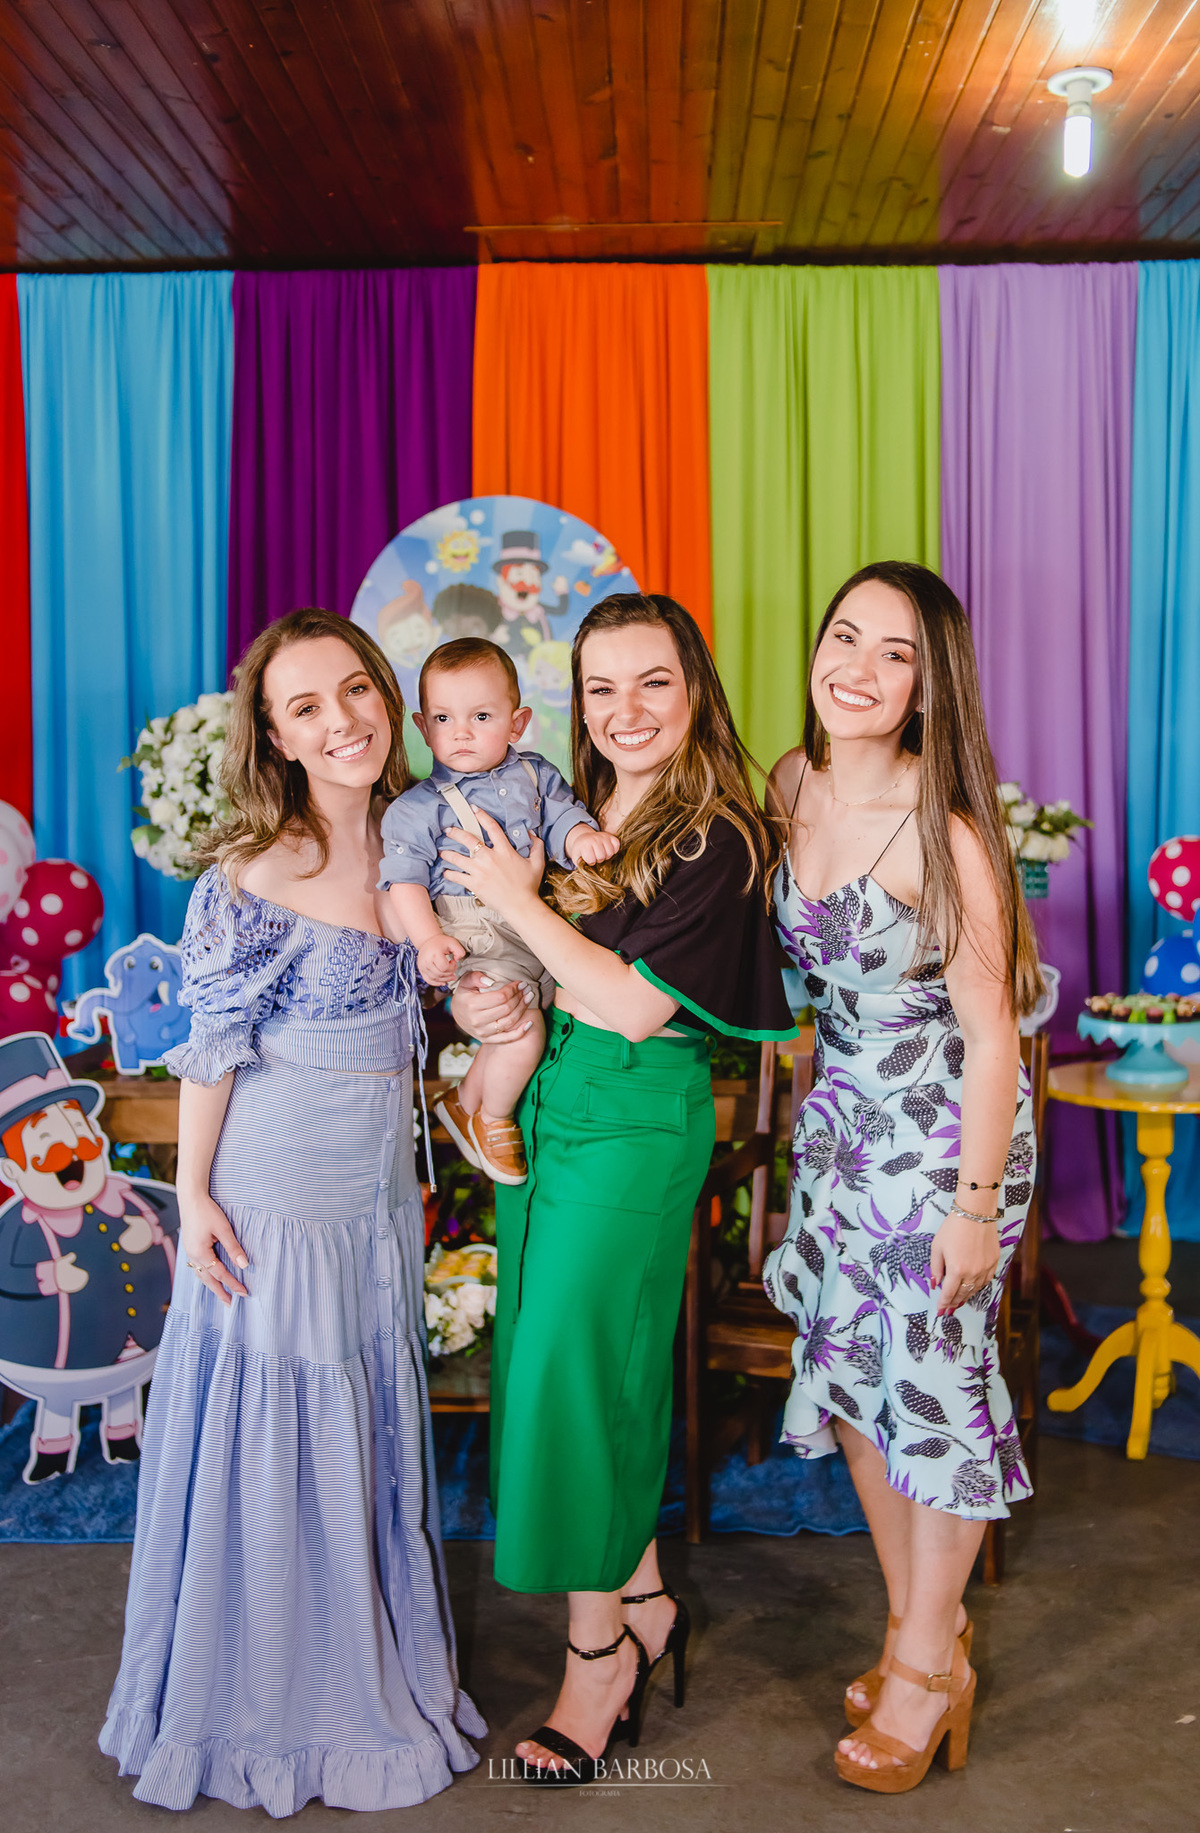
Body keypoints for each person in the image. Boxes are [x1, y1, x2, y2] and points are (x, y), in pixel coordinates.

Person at [100, 608, 483, 1816]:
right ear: (275, 737)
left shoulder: (425, 841)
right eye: (306, 706)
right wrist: (193, 1192)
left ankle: (363, 1655)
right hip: (277, 1190)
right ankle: (274, 1703)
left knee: (357, 1411)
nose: (342, 721)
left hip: (371, 1197)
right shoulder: (261, 868)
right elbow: (211, 1047)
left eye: (356, 690)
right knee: (282, 1413)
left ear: (388, 697)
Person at [446, 593, 795, 1785]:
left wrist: (514, 903)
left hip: (635, 1122)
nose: (626, 709)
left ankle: (597, 1660)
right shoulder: (585, 819)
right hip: (554, 1103)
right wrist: (488, 999)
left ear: (696, 689)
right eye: (602, 687)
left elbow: (632, 1005)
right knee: (553, 1359)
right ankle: (643, 1600)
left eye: (653, 681)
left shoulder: (717, 835)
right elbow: (541, 976)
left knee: (577, 1375)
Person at [762, 561, 1042, 1795]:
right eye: (845, 636)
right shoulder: (791, 783)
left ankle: (927, 1670)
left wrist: (976, 1211)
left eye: (896, 654)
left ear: (931, 688)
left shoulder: (952, 833)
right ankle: (917, 1629)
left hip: (942, 1139)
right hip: (842, 1128)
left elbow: (994, 1038)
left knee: (934, 1394)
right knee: (855, 1391)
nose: (859, 669)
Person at [378, 637, 618, 1185]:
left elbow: (561, 816)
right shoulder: (416, 809)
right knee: (520, 1028)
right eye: (444, 718)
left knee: (553, 1015)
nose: (461, 732)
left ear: (517, 723)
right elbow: (404, 882)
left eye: (481, 716)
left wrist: (580, 838)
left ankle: (464, 1100)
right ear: (423, 727)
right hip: (477, 935)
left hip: (542, 925)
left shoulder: (537, 774)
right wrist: (428, 941)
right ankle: (492, 1117)